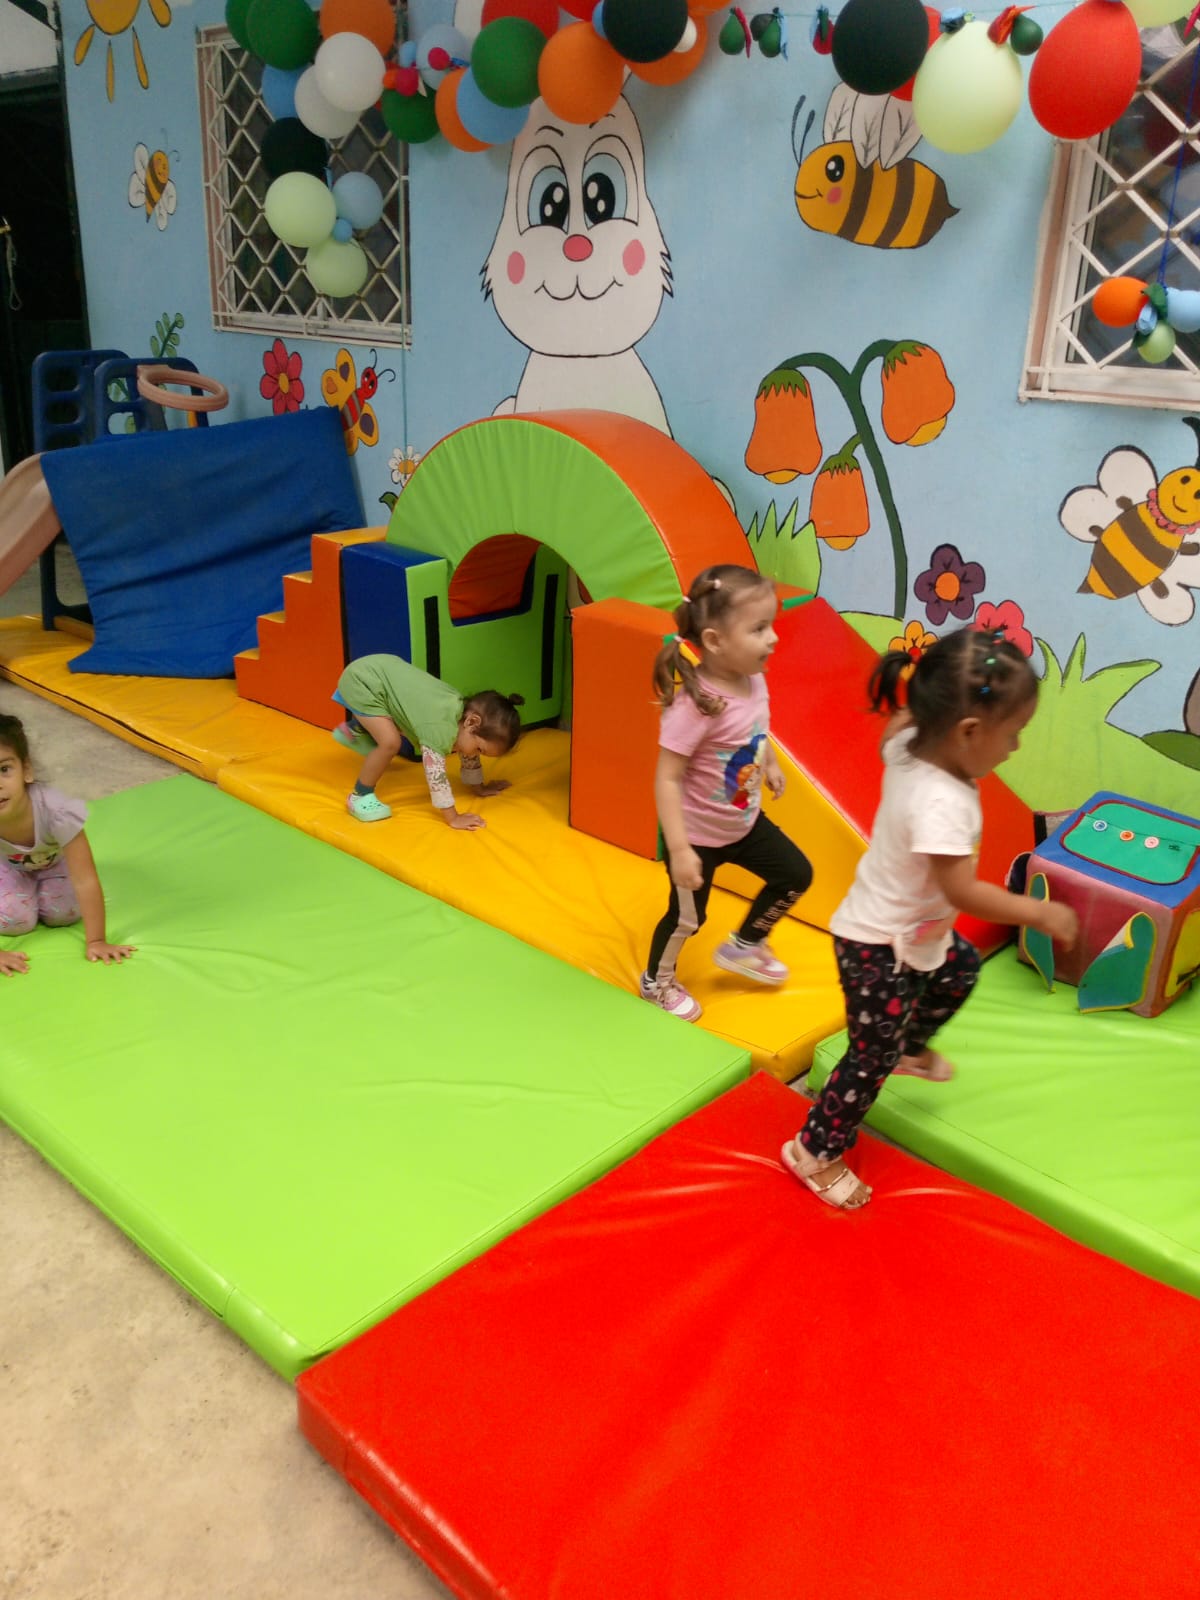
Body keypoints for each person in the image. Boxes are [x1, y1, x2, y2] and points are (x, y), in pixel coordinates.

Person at [780, 627, 1079, 1211]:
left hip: (913, 935)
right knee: (868, 1057)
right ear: (967, 732)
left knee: (959, 969)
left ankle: (910, 1048)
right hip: (875, 946)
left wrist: (923, 701)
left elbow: (896, 727)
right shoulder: (944, 803)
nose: (1016, 747)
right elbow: (962, 891)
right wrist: (1037, 911)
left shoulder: (910, 743)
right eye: (1012, 734)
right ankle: (814, 1150)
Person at [640, 564, 813, 1022]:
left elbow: (757, 729)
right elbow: (667, 778)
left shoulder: (755, 679)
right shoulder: (697, 705)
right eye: (759, 629)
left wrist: (769, 763)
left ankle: (746, 943)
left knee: (796, 875)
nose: (773, 637)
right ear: (715, 641)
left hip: (743, 822)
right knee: (687, 919)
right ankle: (656, 982)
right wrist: (680, 850)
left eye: (771, 625)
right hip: (697, 836)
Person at [0, 713, 136, 976]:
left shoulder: (56, 810)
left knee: (65, 913)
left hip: (54, 866)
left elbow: (85, 878)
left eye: (4, 770)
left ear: (26, 770)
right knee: (15, 920)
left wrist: (97, 941)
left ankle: (41, 893)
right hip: (7, 867)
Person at [332, 654, 522, 828]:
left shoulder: (461, 719)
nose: (474, 754)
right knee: (390, 742)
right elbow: (435, 776)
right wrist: (453, 817)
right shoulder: (438, 729)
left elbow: (467, 749)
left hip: (380, 674)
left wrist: (479, 787)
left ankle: (353, 731)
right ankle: (360, 795)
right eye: (480, 749)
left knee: (403, 721)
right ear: (471, 722)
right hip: (363, 680)